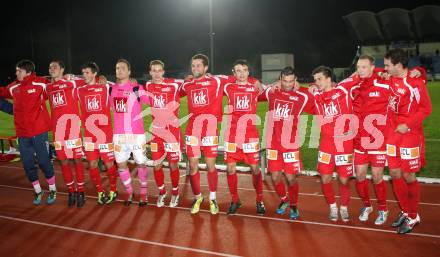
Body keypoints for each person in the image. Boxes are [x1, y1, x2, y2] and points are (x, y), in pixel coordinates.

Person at [383, 48, 432, 234]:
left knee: (408, 175)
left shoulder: (416, 83)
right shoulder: (391, 77)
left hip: (410, 135)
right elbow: (372, 72)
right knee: (395, 174)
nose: (384, 68)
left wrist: (408, 124)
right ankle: (405, 210)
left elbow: (426, 108)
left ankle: (413, 215)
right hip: (392, 134)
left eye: (387, 65)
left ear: (398, 65)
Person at [0, 59, 56, 205]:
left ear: (28, 72)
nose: (16, 73)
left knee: (44, 162)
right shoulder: (13, 87)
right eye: (16, 70)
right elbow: (2, 93)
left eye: (19, 70)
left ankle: (52, 188)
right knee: (27, 164)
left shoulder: (41, 83)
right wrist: (9, 109)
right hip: (22, 134)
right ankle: (38, 191)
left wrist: (99, 80)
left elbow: (58, 86)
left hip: (39, 131)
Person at [261, 66, 314, 219]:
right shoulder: (272, 92)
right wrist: (271, 84)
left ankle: (294, 205)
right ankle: (284, 200)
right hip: (273, 143)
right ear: (280, 79)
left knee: (291, 178)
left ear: (295, 80)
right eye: (285, 81)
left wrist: (310, 87)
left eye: (291, 81)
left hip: (290, 145)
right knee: (275, 176)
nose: (288, 84)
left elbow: (321, 92)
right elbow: (255, 89)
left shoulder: (302, 96)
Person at [310, 66, 358, 222]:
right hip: (326, 143)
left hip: (344, 143)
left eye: (319, 79)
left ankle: (344, 207)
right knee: (325, 178)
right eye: (315, 80)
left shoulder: (343, 89)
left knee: (344, 179)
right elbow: (292, 85)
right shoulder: (315, 94)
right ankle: (332, 206)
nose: (316, 83)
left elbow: (362, 72)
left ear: (329, 79)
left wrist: (381, 72)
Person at [223, 59, 266, 215]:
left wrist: (257, 81)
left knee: (255, 169)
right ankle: (235, 200)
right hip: (232, 135)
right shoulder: (228, 87)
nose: (241, 73)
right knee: (230, 169)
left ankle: (259, 199)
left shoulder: (255, 87)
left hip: (250, 135)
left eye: (244, 70)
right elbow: (214, 81)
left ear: (249, 72)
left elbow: (276, 89)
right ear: (233, 73)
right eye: (238, 71)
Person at [76, 62, 119, 205]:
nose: (84, 75)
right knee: (93, 164)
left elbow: (121, 84)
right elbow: (67, 83)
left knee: (108, 164)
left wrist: (105, 78)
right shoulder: (80, 89)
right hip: (89, 134)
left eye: (87, 72)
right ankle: (100, 192)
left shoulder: (105, 86)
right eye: (83, 73)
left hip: (104, 134)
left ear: (95, 74)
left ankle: (113, 190)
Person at [46, 60, 86, 207]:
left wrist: (100, 78)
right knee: (63, 161)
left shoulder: (72, 83)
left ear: (62, 69)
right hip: (58, 132)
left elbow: (88, 78)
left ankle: (81, 191)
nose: (52, 69)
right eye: (50, 67)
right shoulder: (48, 87)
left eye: (55, 66)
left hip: (73, 129)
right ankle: (71, 190)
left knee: (77, 160)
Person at [110, 59, 149, 206]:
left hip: (136, 134)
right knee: (121, 165)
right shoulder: (111, 89)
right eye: (117, 68)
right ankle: (130, 192)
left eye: (122, 68)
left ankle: (144, 193)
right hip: (119, 135)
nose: (119, 71)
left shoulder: (136, 87)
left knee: (141, 164)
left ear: (129, 72)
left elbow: (151, 100)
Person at [145, 60, 183, 207]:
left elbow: (188, 81)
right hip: (156, 133)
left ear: (163, 71)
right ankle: (162, 192)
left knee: (173, 165)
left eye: (159, 70)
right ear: (150, 72)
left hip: (172, 133)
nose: (156, 73)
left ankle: (175, 193)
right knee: (157, 165)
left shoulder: (173, 85)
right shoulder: (148, 85)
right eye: (153, 70)